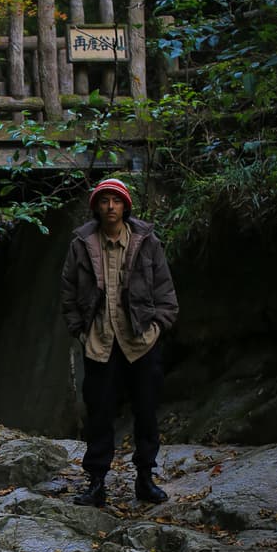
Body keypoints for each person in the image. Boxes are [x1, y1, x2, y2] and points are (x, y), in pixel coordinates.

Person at [60, 177, 179, 507]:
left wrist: (157, 328)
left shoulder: (146, 241)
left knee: (146, 411)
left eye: (116, 201)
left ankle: (145, 479)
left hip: (141, 342)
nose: (110, 207)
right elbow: (68, 293)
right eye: (103, 201)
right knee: (99, 414)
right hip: (100, 344)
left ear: (125, 205)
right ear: (96, 207)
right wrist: (81, 332)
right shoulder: (81, 244)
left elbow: (166, 292)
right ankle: (97, 483)